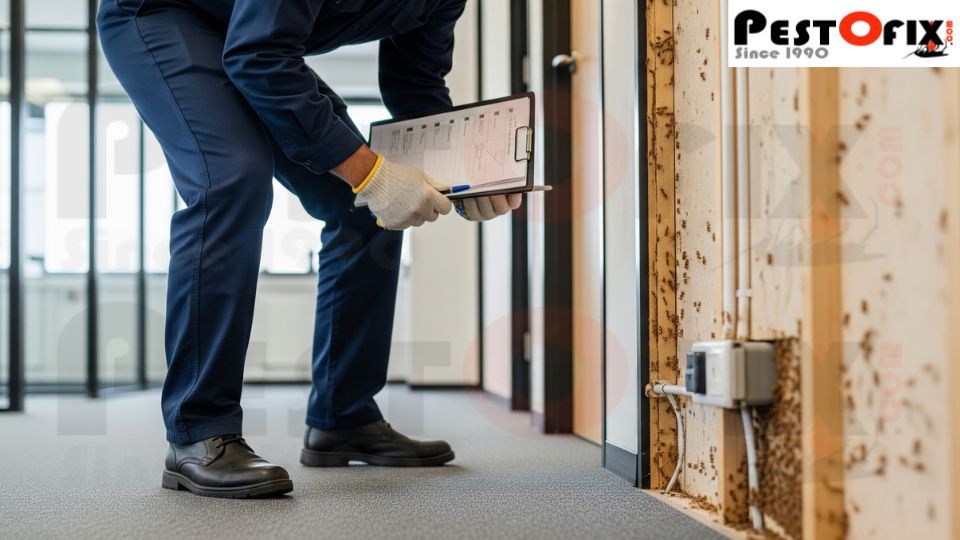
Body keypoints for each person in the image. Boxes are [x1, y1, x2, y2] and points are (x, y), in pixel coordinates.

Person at [97, 0, 523, 499]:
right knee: (231, 182)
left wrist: (466, 178)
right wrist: (373, 175)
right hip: (162, 15)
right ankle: (197, 432)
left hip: (250, 40)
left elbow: (416, 88)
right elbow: (259, 56)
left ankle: (343, 417)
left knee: (359, 208)